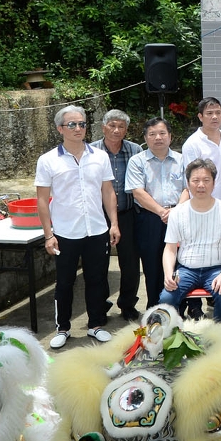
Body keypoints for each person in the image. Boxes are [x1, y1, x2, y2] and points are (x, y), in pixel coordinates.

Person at [35, 105, 120, 348]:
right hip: (65, 232)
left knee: (97, 279)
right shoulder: (48, 160)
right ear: (60, 128)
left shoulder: (99, 156)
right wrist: (48, 234)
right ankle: (63, 328)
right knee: (64, 282)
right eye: (72, 124)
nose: (78, 129)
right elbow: (42, 199)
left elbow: (108, 192)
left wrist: (113, 223)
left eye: (82, 124)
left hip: (96, 229)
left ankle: (95, 325)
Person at [158, 158, 221, 322]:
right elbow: (170, 249)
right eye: (195, 180)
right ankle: (172, 337)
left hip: (217, 270)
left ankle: (219, 338)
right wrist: (168, 274)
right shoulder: (177, 213)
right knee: (166, 298)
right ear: (188, 183)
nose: (201, 185)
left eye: (206, 180)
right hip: (186, 270)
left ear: (214, 183)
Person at [125, 117, 187, 316]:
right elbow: (137, 192)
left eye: (162, 133)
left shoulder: (182, 159)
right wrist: (162, 212)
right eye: (152, 134)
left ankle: (178, 309)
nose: (157, 138)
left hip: (179, 216)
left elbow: (189, 188)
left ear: (170, 136)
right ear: (145, 138)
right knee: (152, 265)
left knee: (179, 263)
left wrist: (175, 211)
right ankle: (154, 309)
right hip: (149, 219)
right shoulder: (137, 161)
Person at [90, 109, 143, 322]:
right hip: (98, 215)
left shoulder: (135, 150)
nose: (116, 130)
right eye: (112, 125)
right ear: (103, 127)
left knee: (130, 263)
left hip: (128, 214)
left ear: (126, 129)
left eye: (121, 126)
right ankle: (100, 306)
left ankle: (127, 304)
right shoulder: (91, 151)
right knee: (98, 263)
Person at [182, 97, 221, 204]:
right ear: (200, 117)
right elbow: (192, 177)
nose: (214, 117)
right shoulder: (192, 144)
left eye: (218, 113)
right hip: (208, 204)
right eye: (209, 113)